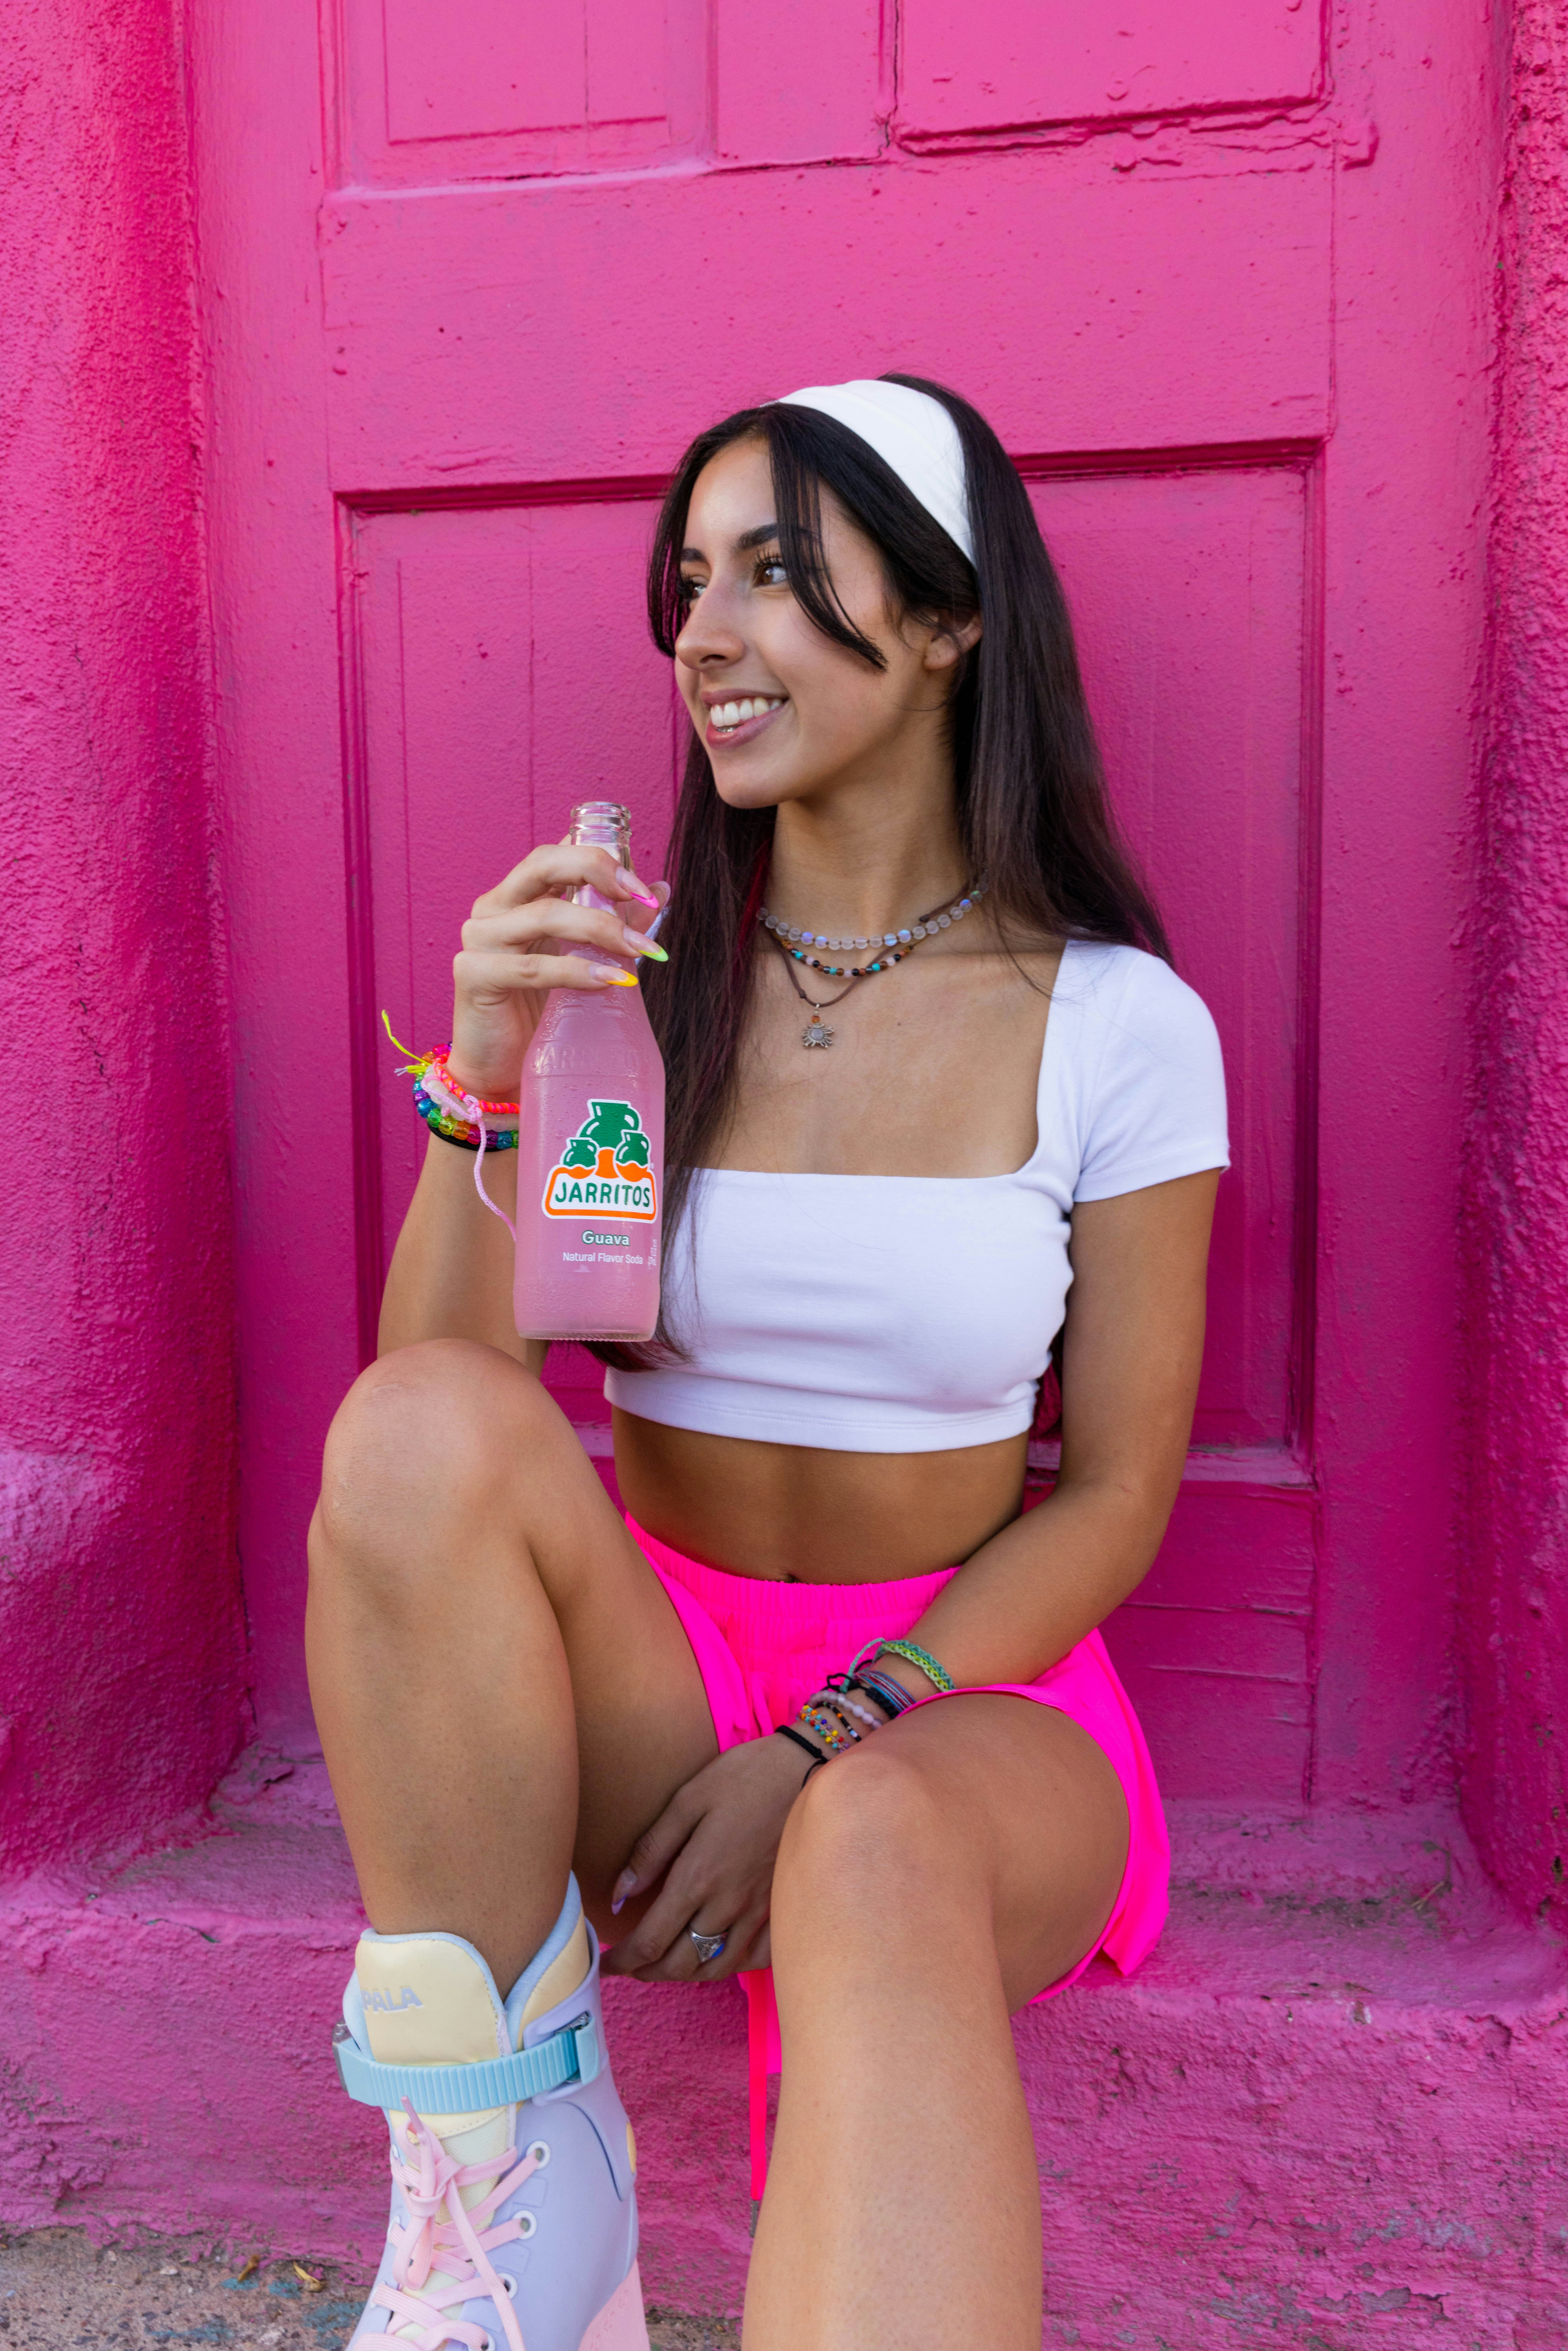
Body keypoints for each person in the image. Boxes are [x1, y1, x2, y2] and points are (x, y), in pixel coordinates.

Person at [311, 375, 1229, 2351]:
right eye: (689, 584)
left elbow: (1115, 1495)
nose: (702, 636)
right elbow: (433, 1439)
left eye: (774, 576)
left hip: (965, 1698)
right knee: (409, 1426)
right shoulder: (634, 997)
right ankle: (513, 2188)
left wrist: (829, 1744)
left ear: (947, 616)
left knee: (874, 1845)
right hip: (650, 1680)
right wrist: (483, 1081)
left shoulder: (1118, 1025)